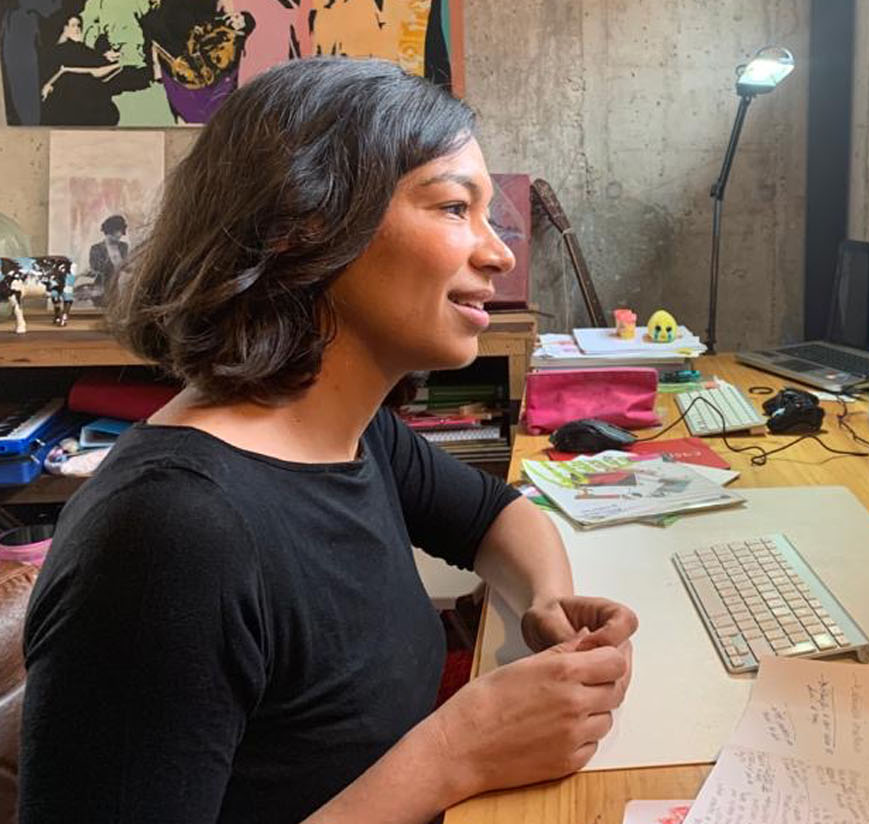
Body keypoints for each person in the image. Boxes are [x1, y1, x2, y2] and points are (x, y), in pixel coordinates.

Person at [21, 58, 638, 823]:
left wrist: (545, 601)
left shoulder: (351, 433)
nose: (500, 253)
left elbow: (495, 516)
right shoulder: (171, 536)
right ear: (303, 223)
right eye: (452, 207)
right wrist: (458, 749)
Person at [86, 213, 128, 305]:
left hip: (118, 288)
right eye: (117, 231)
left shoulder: (123, 247)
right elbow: (95, 268)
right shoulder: (96, 248)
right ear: (109, 231)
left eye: (121, 231)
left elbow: (125, 266)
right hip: (100, 289)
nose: (120, 235)